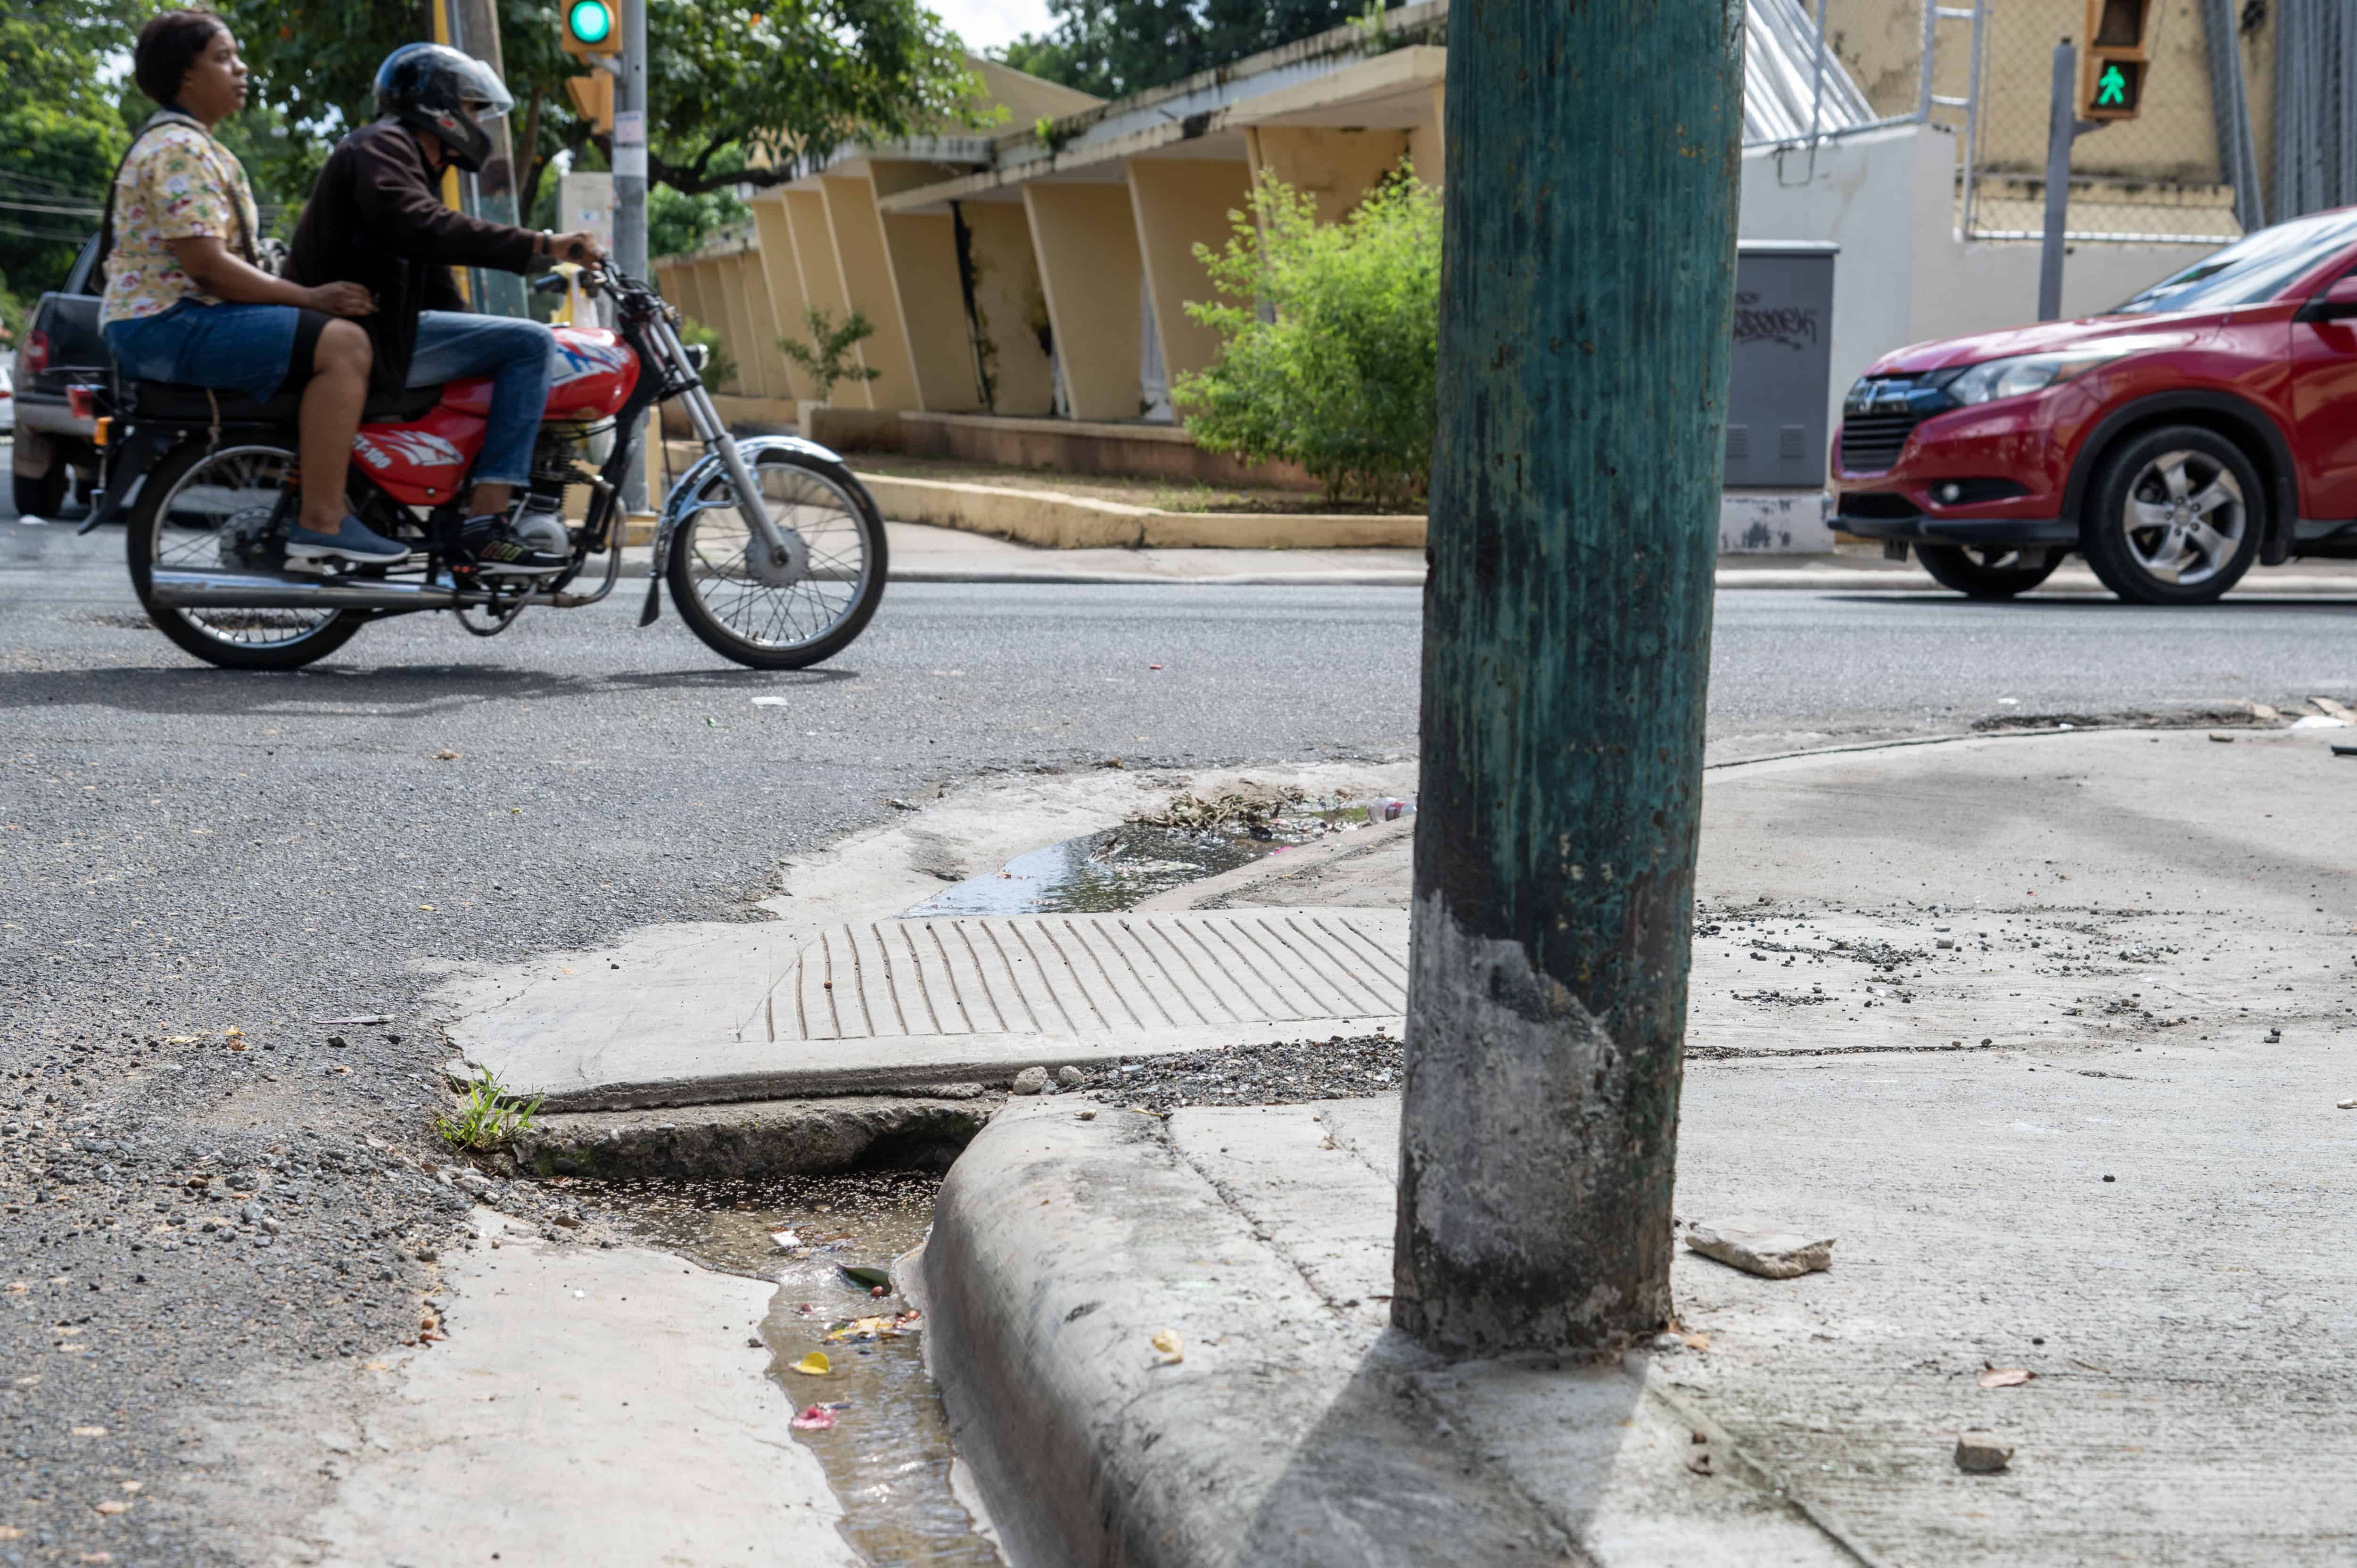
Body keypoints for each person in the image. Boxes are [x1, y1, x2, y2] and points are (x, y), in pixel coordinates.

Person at [286, 43, 607, 576]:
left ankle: (461, 495)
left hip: (378, 331)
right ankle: (486, 525)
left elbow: (432, 277)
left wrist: (478, 318)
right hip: (361, 336)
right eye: (473, 107)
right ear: (440, 107)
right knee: (530, 344)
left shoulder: (403, 161)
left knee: (505, 342)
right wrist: (543, 243)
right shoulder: (382, 147)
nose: (477, 120)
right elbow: (424, 227)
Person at [99, 10, 402, 568]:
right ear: (185, 76)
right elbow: (208, 267)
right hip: (168, 323)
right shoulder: (179, 149)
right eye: (223, 58)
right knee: (345, 346)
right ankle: (323, 518)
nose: (241, 69)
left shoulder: (195, 145)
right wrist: (312, 299)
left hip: (174, 319)